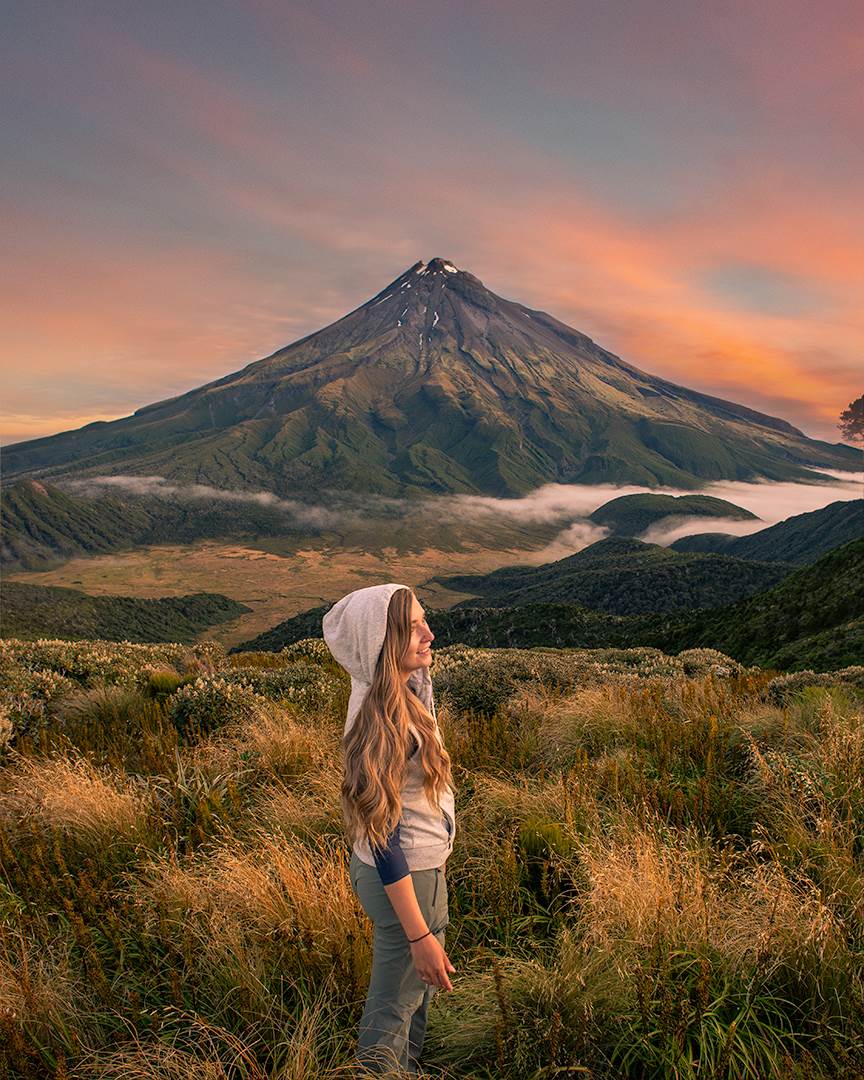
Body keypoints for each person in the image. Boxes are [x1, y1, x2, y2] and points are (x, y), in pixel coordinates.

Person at [322, 583, 457, 1077]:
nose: (430, 633)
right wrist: (419, 933)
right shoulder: (381, 719)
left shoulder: (398, 693)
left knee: (413, 998)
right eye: (414, 626)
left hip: (419, 874)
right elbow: (385, 838)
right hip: (405, 881)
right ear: (383, 639)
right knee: (391, 1013)